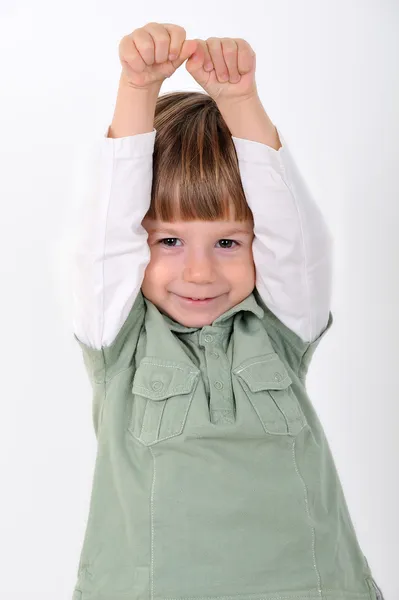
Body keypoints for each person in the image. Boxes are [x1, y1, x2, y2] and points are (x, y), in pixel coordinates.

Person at [68, 22, 385, 600]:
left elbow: (296, 237)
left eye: (228, 242)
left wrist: (241, 104)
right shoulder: (119, 341)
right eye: (168, 241)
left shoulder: (282, 327)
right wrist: (137, 90)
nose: (199, 272)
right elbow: (106, 234)